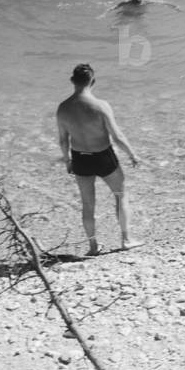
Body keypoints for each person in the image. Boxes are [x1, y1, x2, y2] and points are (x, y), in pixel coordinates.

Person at [56, 64, 143, 255]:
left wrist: (67, 160)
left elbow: (63, 140)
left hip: (80, 158)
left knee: (87, 204)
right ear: (93, 82)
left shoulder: (63, 108)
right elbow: (117, 136)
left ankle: (93, 246)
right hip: (103, 156)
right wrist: (132, 155)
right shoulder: (100, 106)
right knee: (120, 195)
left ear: (72, 81)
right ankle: (126, 239)